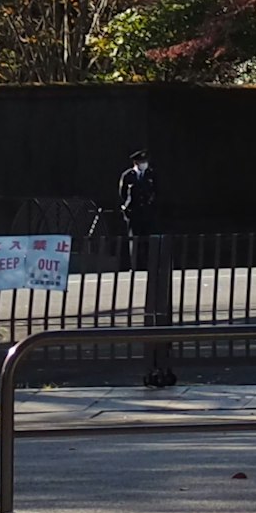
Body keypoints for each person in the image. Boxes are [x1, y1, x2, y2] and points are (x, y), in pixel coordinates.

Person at [111, 149, 175, 389]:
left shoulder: (152, 175)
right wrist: (125, 207)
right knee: (134, 240)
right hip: (134, 212)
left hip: (149, 212)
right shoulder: (128, 176)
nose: (141, 164)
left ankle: (148, 262)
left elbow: (158, 192)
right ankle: (135, 264)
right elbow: (121, 193)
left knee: (151, 240)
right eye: (139, 161)